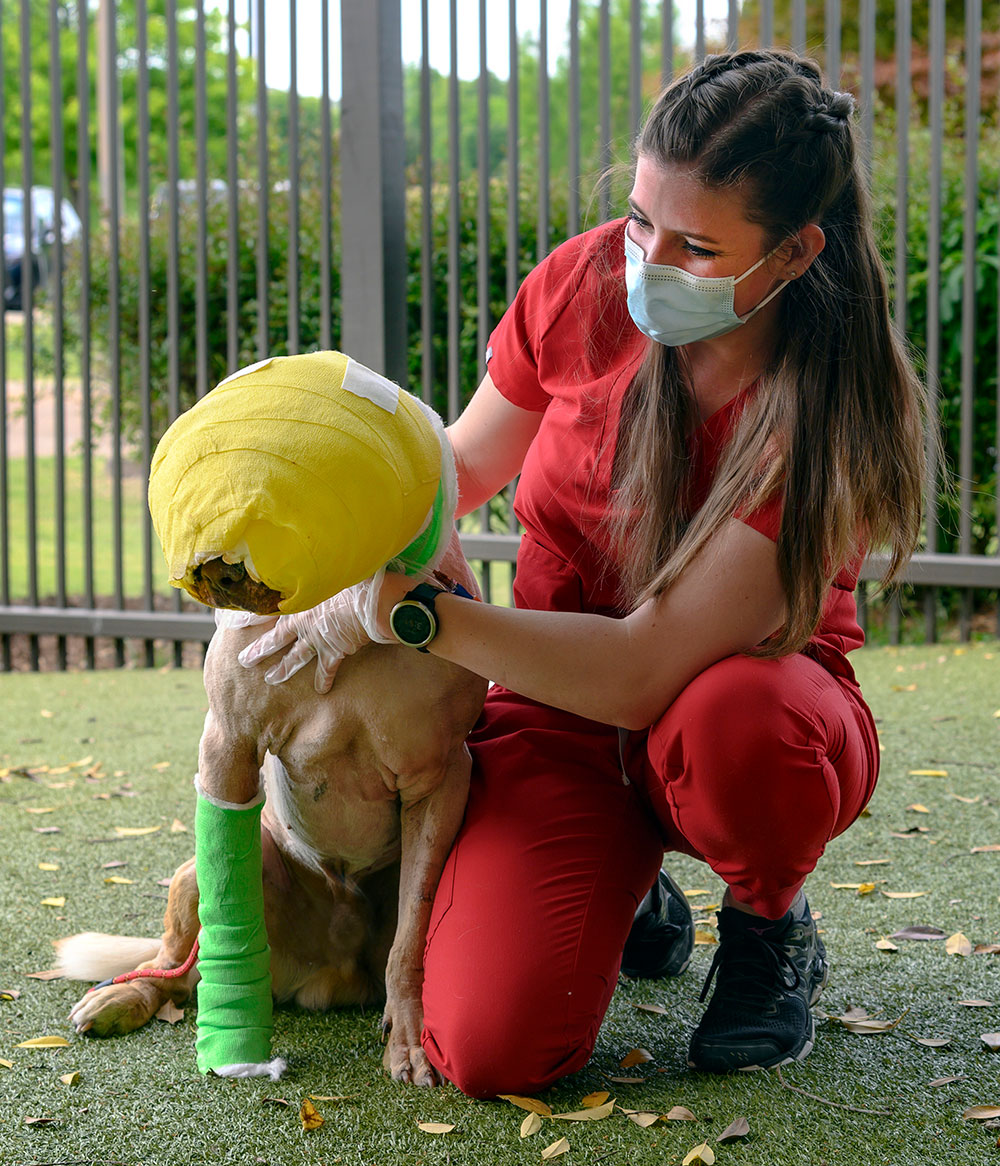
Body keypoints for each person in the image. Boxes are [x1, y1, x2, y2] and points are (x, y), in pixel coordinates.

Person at [241, 49, 926, 1096]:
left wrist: (411, 616)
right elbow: (459, 466)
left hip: (731, 713)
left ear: (791, 255)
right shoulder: (582, 282)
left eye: (696, 246)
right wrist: (324, 528)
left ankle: (766, 921)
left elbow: (641, 671)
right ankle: (629, 891)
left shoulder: (827, 415)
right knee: (487, 1051)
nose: (646, 260)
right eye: (643, 220)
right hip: (557, 712)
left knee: (739, 721)